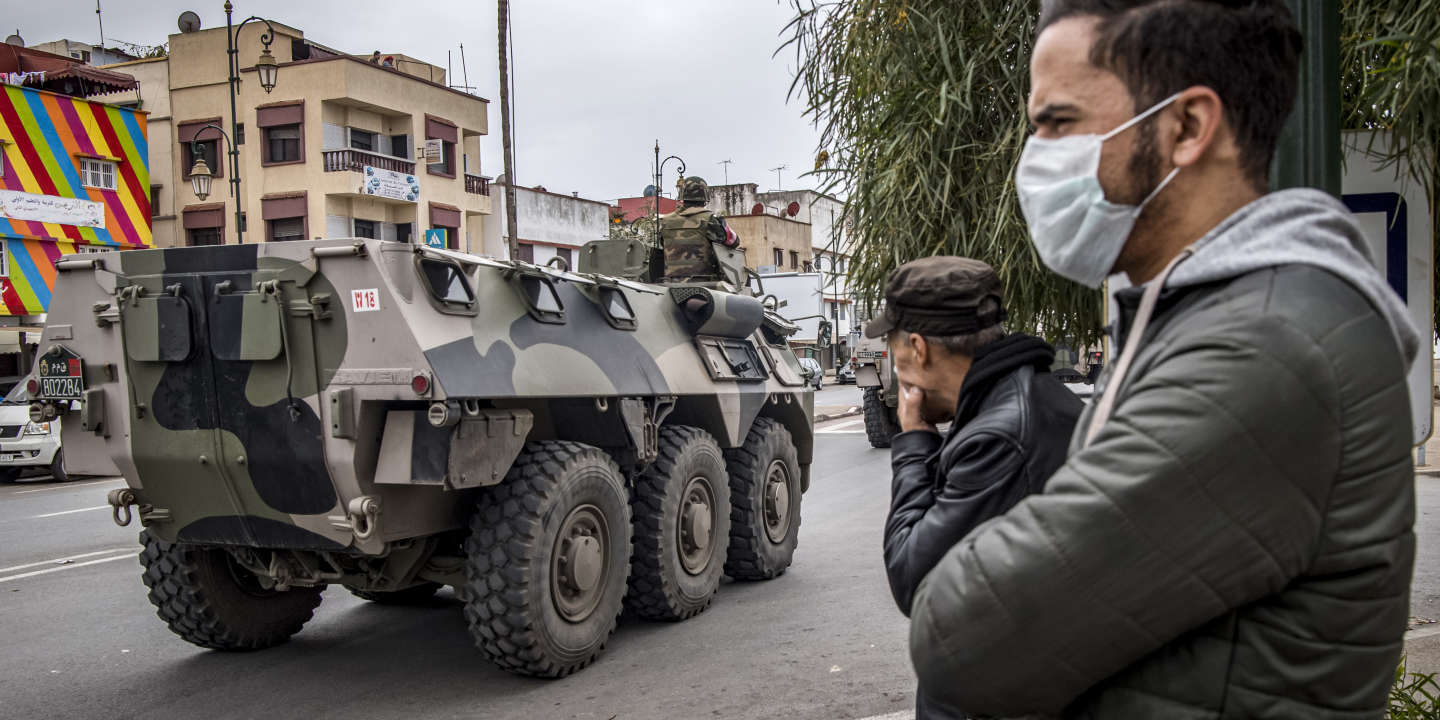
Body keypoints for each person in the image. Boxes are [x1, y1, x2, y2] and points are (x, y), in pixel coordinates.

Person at [908, 2, 1420, 717]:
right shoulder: (1216, 314)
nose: (1035, 158)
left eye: (1057, 124)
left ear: (1185, 128)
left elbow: (959, 635)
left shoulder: (1265, 347)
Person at [869, 257, 1083, 720]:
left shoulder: (998, 438)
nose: (895, 368)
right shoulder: (1024, 398)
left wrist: (913, 441)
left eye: (893, 349)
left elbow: (912, 578)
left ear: (919, 349)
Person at [658, 177, 736, 282]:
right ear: (705, 196)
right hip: (705, 285)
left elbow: (662, 245)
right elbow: (733, 241)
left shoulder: (665, 221)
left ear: (683, 195)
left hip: (670, 284)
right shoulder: (709, 219)